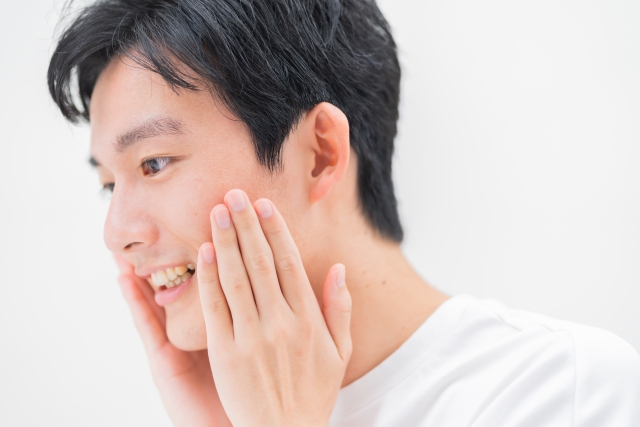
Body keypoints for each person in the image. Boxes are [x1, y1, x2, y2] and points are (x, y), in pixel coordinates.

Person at [47, 0, 640, 426]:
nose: (116, 234)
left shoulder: (563, 392)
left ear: (320, 153)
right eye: (109, 185)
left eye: (153, 164)